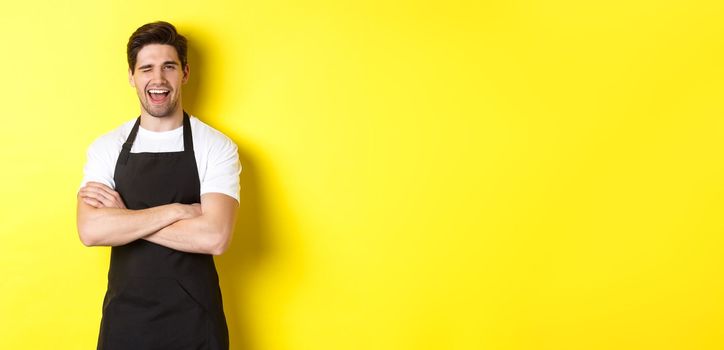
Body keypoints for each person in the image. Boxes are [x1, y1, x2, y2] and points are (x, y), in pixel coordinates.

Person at [76, 21, 240, 349]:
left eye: (169, 67)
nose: (158, 79)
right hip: (126, 322)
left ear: (185, 73)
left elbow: (216, 237)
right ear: (132, 76)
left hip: (196, 322)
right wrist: (181, 211)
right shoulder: (107, 147)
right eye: (146, 68)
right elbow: (91, 231)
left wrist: (125, 219)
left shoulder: (216, 146)